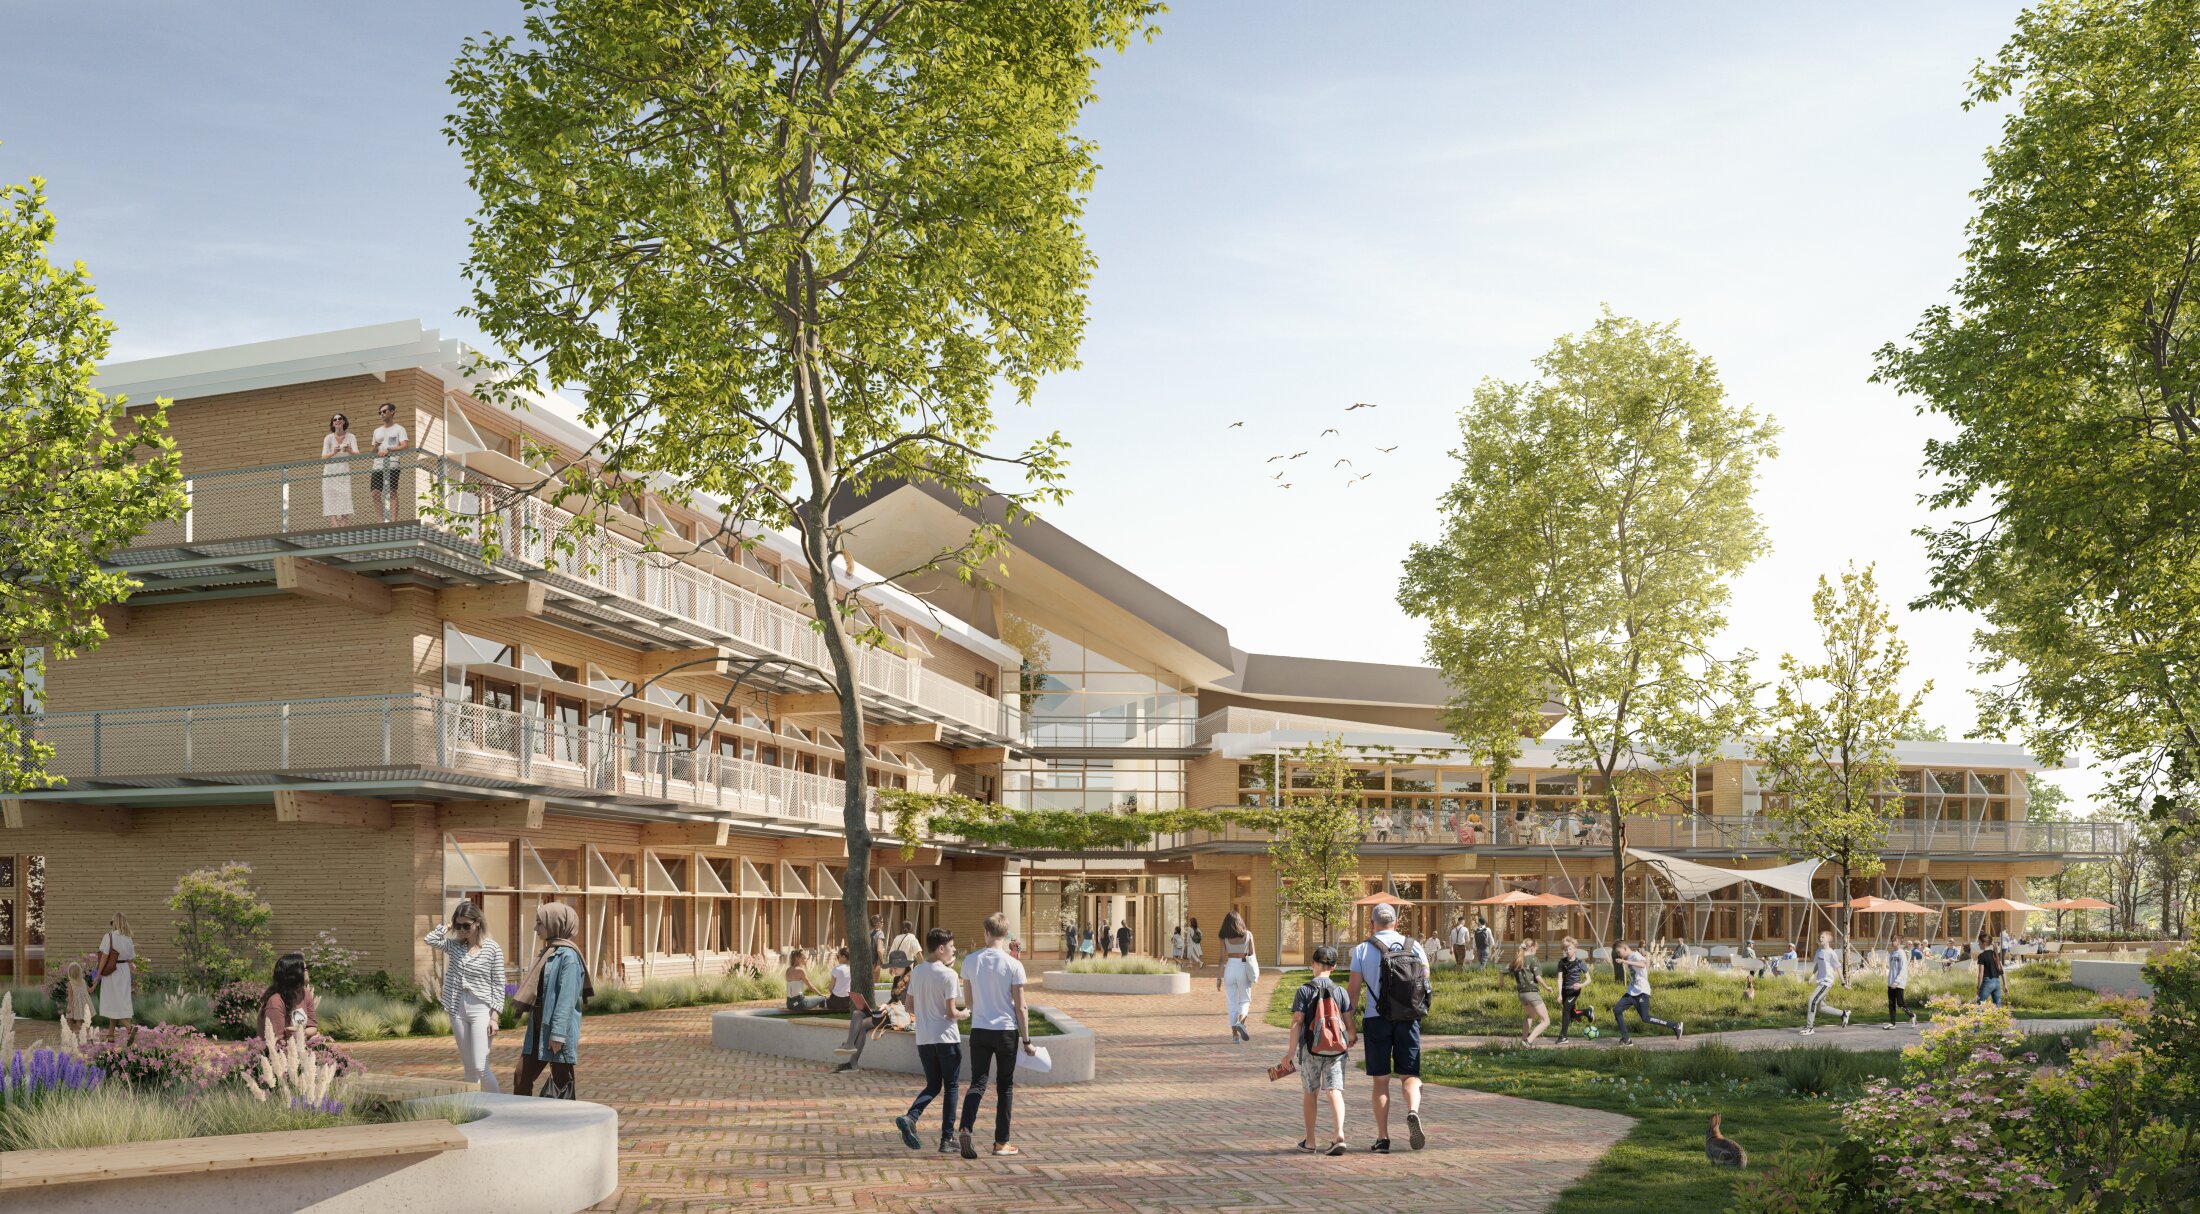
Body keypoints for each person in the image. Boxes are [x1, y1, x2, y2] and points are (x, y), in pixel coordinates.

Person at [1346, 902, 1430, 1153]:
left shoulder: (1362, 950)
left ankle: (1383, 1138)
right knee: (1410, 1075)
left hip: (1376, 1019)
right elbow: (1426, 983)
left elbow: (1353, 993)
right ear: (1395, 923)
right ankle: (1413, 1110)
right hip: (1408, 1018)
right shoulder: (1414, 946)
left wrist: (1349, 1025)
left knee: (1381, 1081)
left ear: (1372, 923)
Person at [957, 914, 1034, 1159]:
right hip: (1005, 1032)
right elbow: (1021, 1007)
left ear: (986, 933)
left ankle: (966, 1126)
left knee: (978, 1082)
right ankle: (1001, 1143)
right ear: (1005, 935)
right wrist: (1027, 1040)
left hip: (980, 1029)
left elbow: (968, 1002)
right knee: (1005, 1087)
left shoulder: (970, 961)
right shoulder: (1014, 965)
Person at [1280, 944, 1356, 1156]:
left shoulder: (1304, 990)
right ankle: (1339, 1134)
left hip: (1310, 1049)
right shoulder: (1340, 992)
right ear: (1333, 967)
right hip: (1336, 1051)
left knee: (1310, 1093)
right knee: (1334, 1090)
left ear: (1313, 964)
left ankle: (1311, 1141)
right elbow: (1349, 1023)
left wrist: (1290, 1052)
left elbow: (1297, 1021)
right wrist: (1351, 1037)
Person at [426, 898, 508, 1092]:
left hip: (481, 1010)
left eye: (466, 925)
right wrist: (446, 926)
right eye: (458, 925)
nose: (462, 929)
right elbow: (430, 939)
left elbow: (498, 984)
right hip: (456, 1009)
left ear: (477, 922)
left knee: (481, 1066)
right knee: (469, 1069)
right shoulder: (455, 946)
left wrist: (494, 1017)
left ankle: (498, 1106)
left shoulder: (492, 948)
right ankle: (475, 1110)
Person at [894, 928, 963, 1155]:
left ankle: (911, 1117)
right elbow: (951, 1012)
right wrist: (966, 1014)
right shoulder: (949, 975)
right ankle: (947, 1139)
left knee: (933, 1084)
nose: (953, 950)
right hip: (946, 1038)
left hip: (924, 1039)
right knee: (951, 1086)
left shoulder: (918, 971)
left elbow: (909, 1006)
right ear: (941, 948)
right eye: (951, 947)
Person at [513, 902, 589, 1099]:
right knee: (521, 1077)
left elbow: (566, 1000)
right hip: (539, 1030)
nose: (535, 929)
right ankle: (522, 1121)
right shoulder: (549, 952)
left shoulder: (568, 958)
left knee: (562, 1085)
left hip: (556, 1033)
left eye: (540, 923)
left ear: (555, 924)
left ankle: (566, 1125)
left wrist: (557, 1035)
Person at [836, 949, 912, 1073]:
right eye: (893, 966)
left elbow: (905, 1005)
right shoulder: (897, 979)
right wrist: (880, 1008)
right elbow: (893, 1000)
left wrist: (887, 1008)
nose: (894, 969)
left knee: (863, 1024)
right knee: (857, 1013)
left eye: (897, 966)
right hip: (890, 1012)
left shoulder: (911, 980)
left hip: (902, 1016)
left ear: (905, 965)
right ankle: (850, 1047)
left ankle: (852, 1061)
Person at [1612, 942, 1684, 1044]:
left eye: (1619, 952)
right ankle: (1626, 1039)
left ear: (1624, 948)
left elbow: (1643, 964)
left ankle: (1675, 1025)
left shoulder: (1635, 955)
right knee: (1617, 1010)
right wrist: (1625, 961)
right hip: (1632, 992)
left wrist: (1624, 961)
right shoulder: (1629, 957)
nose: (1619, 955)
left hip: (1642, 991)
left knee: (1645, 1018)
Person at [257, 951, 319, 1041]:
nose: (307, 971)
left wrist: (302, 1032)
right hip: (276, 1051)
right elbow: (277, 1041)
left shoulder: (306, 994)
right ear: (294, 974)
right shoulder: (275, 1002)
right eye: (304, 969)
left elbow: (313, 1027)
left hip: (299, 1045)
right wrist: (302, 1036)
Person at [1217, 910, 1260, 1042]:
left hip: (1230, 968)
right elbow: (1252, 955)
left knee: (1231, 1002)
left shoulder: (1224, 937)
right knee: (1245, 1000)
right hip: (1243, 967)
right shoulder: (1248, 935)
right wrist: (1255, 972)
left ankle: (1235, 1036)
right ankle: (1241, 1022)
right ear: (1239, 921)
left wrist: (1219, 978)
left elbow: (1221, 959)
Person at [1800, 930, 1851, 1035]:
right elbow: (1817, 964)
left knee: (1812, 1000)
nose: (1820, 938)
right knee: (1821, 1007)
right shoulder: (1819, 951)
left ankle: (1809, 1028)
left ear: (1829, 939)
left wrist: (1843, 983)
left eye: (1823, 937)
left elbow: (1838, 968)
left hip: (1826, 982)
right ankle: (1843, 1014)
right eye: (1820, 937)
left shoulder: (1832, 953)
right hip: (1820, 981)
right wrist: (1813, 975)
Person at [368, 401, 409, 522]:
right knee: (375, 493)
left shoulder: (399, 429)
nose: (382, 414)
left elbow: (405, 446)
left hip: (392, 464)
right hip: (377, 465)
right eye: (380, 412)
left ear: (392, 412)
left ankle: (393, 521)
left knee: (391, 492)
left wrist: (389, 450)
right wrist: (375, 446)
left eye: (384, 411)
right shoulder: (377, 431)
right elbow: (373, 452)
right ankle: (380, 522)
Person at [1509, 939, 1552, 1046]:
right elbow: (1537, 976)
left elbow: (1503, 971)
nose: (1536, 952)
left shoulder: (1518, 959)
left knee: (1530, 1015)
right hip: (1532, 993)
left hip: (1522, 994)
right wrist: (1546, 987)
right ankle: (1528, 1042)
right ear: (1532, 948)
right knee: (1545, 1021)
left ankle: (1523, 1040)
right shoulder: (1533, 959)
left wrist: (1501, 983)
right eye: (1536, 949)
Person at [95, 913, 136, 1026]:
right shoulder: (128, 938)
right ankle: (111, 1035)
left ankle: (129, 1027)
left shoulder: (109, 936)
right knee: (121, 1002)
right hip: (124, 972)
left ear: (115, 923)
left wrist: (98, 974)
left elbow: (104, 956)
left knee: (111, 1002)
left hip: (112, 972)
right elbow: (131, 959)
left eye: (112, 922)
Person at [1553, 936, 1594, 1043]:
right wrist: (1559, 994)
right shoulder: (1562, 962)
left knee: (1565, 1010)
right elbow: (1559, 979)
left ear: (1575, 949)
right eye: (1565, 949)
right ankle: (1587, 1012)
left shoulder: (1580, 963)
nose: (1567, 951)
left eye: (1570, 949)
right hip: (1564, 990)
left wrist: (1581, 985)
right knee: (1571, 1014)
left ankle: (1563, 1036)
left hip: (1574, 991)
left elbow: (1588, 979)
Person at [321, 413, 359, 524]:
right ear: (332, 423)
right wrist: (333, 452)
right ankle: (335, 527)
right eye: (335, 419)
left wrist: (349, 450)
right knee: (330, 497)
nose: (337, 421)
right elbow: (323, 457)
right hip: (330, 472)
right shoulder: (328, 438)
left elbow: (357, 454)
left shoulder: (351, 436)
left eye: (340, 419)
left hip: (343, 470)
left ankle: (343, 526)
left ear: (343, 421)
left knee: (345, 496)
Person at [1884, 936, 1914, 1029]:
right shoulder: (1892, 953)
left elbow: (1903, 969)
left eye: (1894, 941)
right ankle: (1892, 1023)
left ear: (1899, 942)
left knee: (1900, 1003)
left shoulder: (1901, 953)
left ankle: (1912, 1015)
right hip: (1891, 983)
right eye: (1892, 941)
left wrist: (1897, 982)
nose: (1892, 942)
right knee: (1891, 1003)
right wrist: (1890, 981)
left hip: (1899, 983)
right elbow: (1892, 969)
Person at [62, 961, 94, 1040]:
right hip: (85, 1004)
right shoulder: (83, 981)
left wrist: (69, 1006)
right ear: (80, 972)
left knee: (72, 1021)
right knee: (83, 1022)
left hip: (75, 1005)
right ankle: (86, 1035)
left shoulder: (70, 983)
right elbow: (90, 991)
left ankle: (72, 1036)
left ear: (70, 973)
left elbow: (70, 996)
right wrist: (95, 983)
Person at [1975, 934, 2005, 1006]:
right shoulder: (1995, 954)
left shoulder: (1982, 956)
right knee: (1998, 1006)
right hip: (1997, 983)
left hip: (1987, 983)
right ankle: (2000, 1017)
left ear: (1984, 943)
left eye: (1979, 942)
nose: (1978, 944)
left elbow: (1981, 974)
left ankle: (1978, 1017)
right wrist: (2005, 984)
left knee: (1979, 1005)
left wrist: (1979, 987)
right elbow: (2002, 971)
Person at [826, 947, 855, 1012]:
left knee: (823, 1000)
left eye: (838, 956)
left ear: (843, 957)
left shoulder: (837, 969)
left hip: (835, 1002)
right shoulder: (853, 969)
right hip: (848, 1002)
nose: (837, 958)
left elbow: (830, 988)